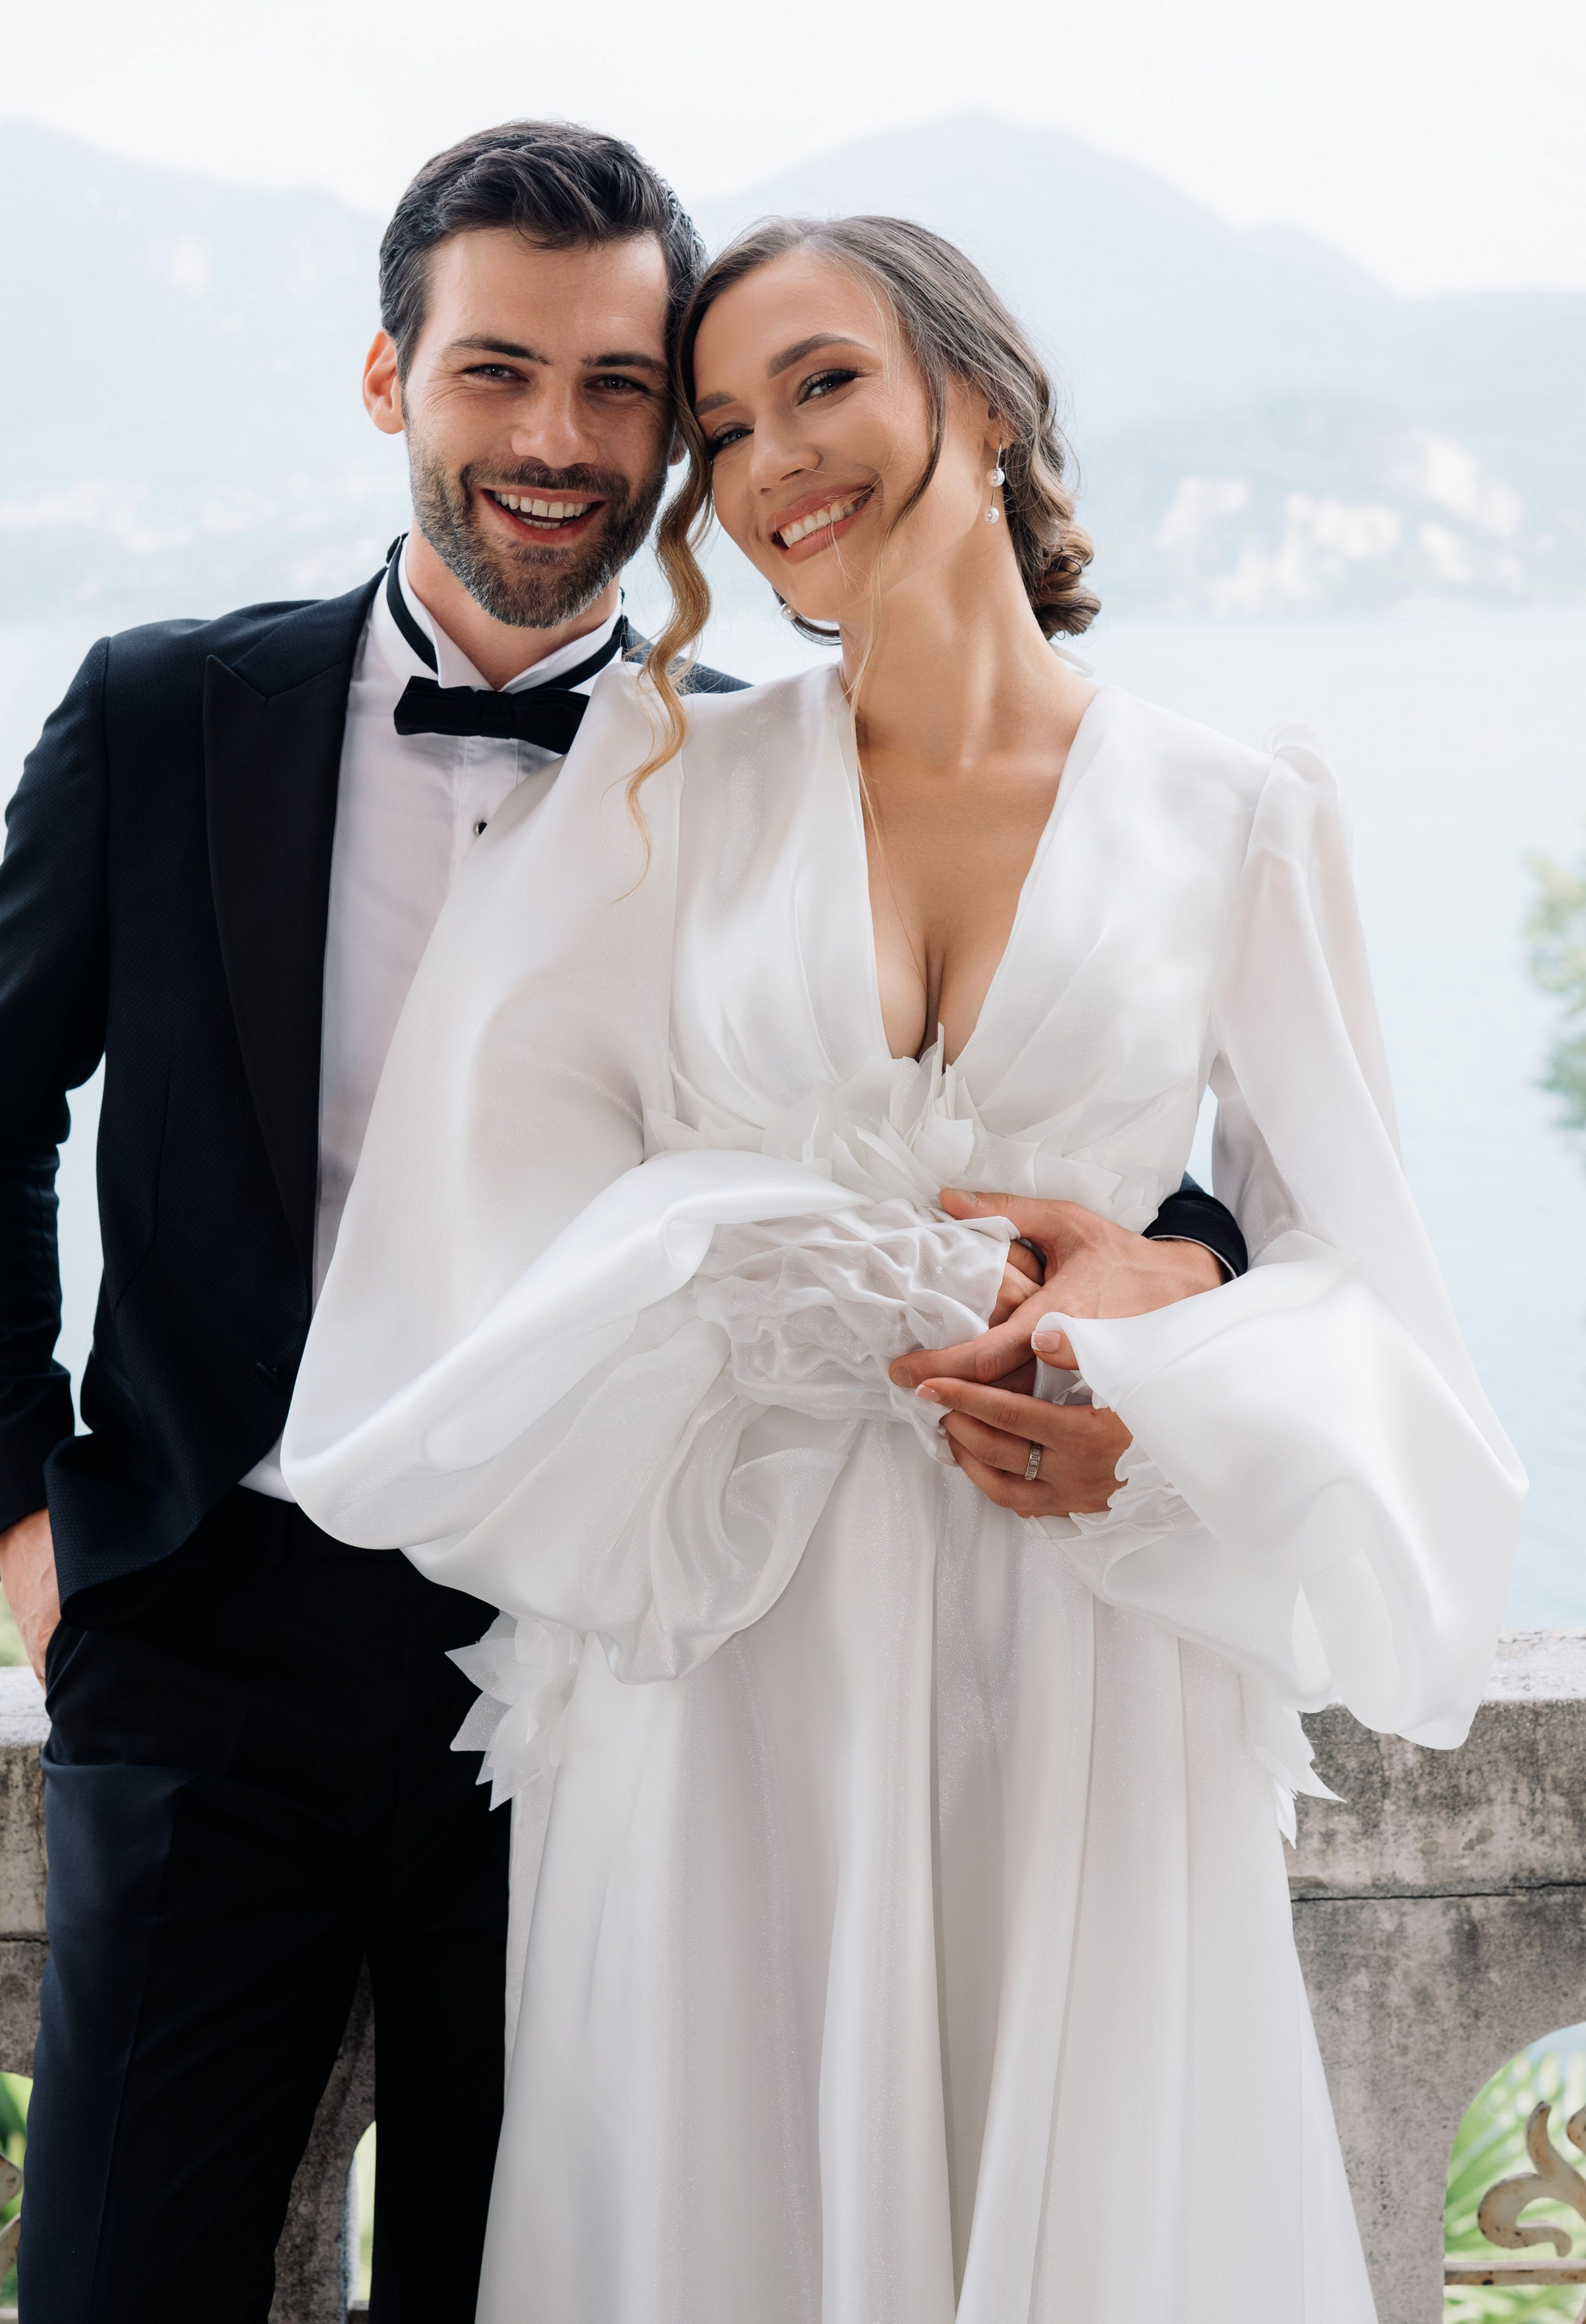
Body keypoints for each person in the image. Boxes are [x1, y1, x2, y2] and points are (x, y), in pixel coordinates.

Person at [0, 125, 1235, 2319]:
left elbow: (1053, 1140)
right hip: (202, 1642)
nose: (555, 438)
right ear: (386, 381)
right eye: (495, 370)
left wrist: (1169, 1287)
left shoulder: (759, 775)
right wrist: (30, 1534)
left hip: (596, 1677)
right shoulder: (164, 713)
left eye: (625, 389)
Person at [283, 214, 1526, 2322]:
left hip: (1082, 1658)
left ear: (976, 384)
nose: (772, 460)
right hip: (730, 1666)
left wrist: (1163, 1314)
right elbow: (474, 1210)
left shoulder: (1239, 813)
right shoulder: (667, 784)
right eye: (723, 425)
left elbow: (1365, 1288)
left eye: (824, 382)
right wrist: (746, 1252)